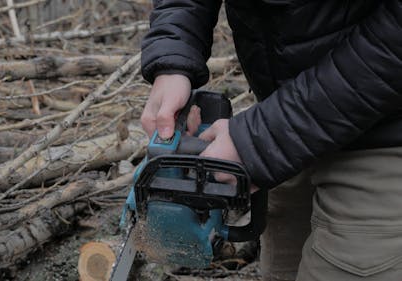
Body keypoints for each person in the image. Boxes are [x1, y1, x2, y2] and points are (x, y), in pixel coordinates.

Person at [139, 1, 402, 281]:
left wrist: (263, 138)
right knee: (282, 268)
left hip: (385, 126)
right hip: (282, 111)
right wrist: (173, 56)